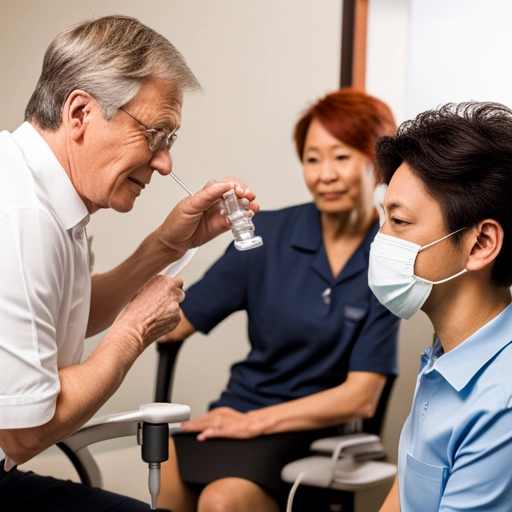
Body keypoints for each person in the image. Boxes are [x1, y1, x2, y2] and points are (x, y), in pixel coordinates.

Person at [0, 15, 258, 512]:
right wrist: (137, 328)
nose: (164, 164)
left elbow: (71, 311)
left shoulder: (48, 196)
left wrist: (165, 244)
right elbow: (24, 432)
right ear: (80, 113)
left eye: (171, 141)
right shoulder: (22, 215)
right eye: (156, 134)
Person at [157, 88, 400, 512]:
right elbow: (175, 323)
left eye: (341, 157)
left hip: (313, 431)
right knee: (162, 471)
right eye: (312, 158)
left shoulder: (388, 259)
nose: (324, 174)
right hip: (237, 410)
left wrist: (253, 425)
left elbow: (361, 397)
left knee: (220, 501)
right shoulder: (265, 235)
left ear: (375, 163)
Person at [370, 102, 512, 512]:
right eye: (384, 219)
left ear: (481, 244)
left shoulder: (501, 403)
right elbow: (409, 488)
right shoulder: (447, 354)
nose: (380, 240)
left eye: (399, 223)